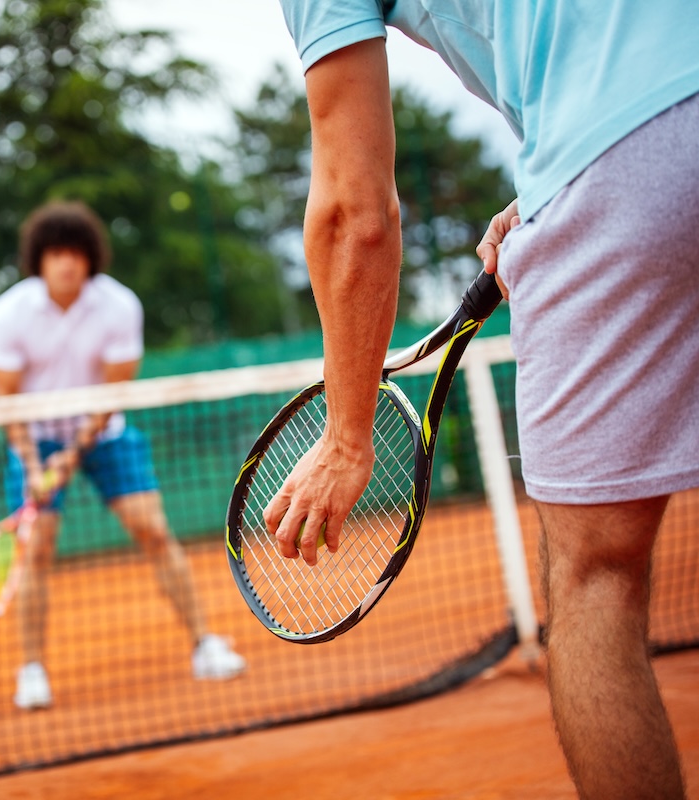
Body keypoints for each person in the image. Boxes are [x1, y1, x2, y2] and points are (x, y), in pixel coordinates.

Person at [263, 3, 698, 798]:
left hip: (620, 161)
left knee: (595, 579)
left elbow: (354, 211)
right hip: (623, 144)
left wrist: (349, 434)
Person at [0, 200, 246, 710]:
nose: (66, 263)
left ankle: (204, 644)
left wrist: (74, 452)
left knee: (153, 529)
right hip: (32, 438)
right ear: (39, 258)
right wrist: (37, 464)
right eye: (56, 253)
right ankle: (32, 671)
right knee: (37, 551)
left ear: (90, 258)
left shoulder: (119, 305)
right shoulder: (9, 313)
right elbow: (6, 399)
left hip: (104, 433)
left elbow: (113, 392)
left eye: (76, 253)